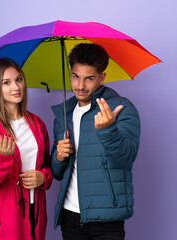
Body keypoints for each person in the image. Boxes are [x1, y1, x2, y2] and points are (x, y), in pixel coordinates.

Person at [50, 43, 140, 240]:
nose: (80, 86)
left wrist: (108, 129)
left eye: (89, 78)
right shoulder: (63, 115)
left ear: (102, 77)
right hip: (70, 217)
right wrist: (58, 157)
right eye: (75, 76)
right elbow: (56, 173)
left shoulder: (121, 108)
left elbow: (126, 157)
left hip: (107, 217)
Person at [0, 58, 53, 240]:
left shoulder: (37, 123)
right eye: (6, 83)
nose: (16, 87)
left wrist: (43, 177)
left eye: (18, 79)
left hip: (35, 209)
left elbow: (47, 165)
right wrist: (2, 158)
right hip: (4, 216)